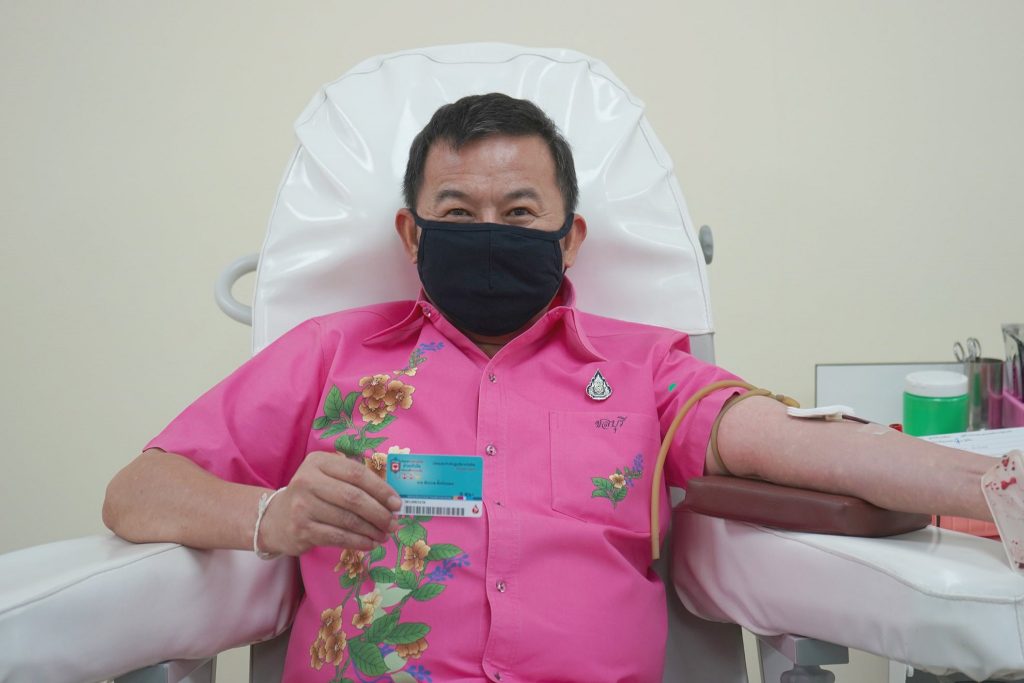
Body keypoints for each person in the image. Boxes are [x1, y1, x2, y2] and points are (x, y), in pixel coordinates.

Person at [104, 93, 995, 683]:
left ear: (570, 239)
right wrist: (272, 516)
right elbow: (136, 491)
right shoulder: (329, 355)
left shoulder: (644, 367)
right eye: (458, 212)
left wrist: (996, 489)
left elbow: (798, 443)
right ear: (412, 234)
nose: (488, 230)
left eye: (520, 212)